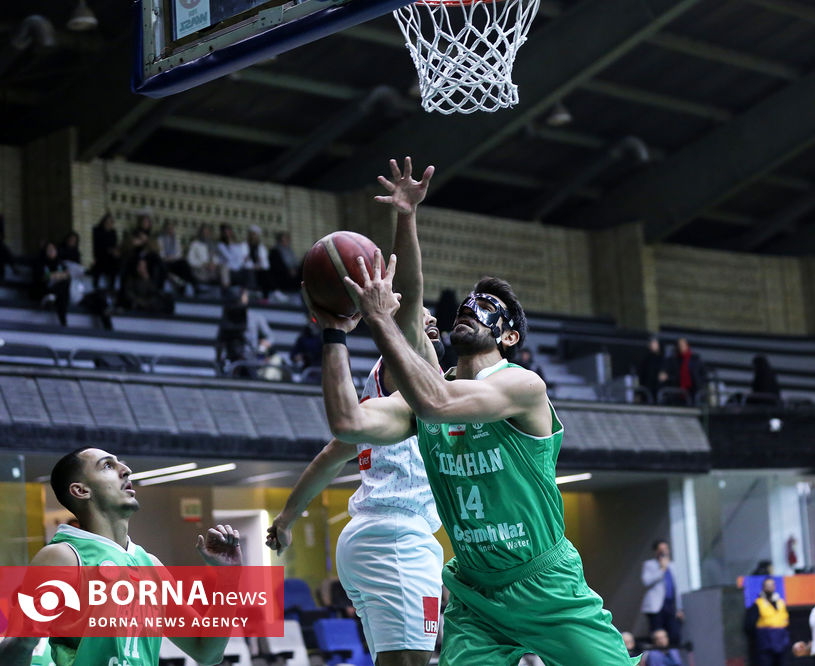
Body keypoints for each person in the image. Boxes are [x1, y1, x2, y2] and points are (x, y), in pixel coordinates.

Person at [311, 254, 638, 664]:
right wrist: (334, 335)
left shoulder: (523, 385)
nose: (469, 309)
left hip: (545, 582)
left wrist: (380, 319)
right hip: (475, 595)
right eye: (466, 304)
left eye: (484, 306)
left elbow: (436, 401)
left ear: (509, 336)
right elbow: (347, 422)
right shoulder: (422, 403)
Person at [267, 157, 444, 666]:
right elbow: (412, 290)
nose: (429, 319)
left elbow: (329, 457)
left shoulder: (396, 397)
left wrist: (287, 518)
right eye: (420, 316)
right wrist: (406, 217)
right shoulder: (404, 371)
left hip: (374, 537)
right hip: (395, 536)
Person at [0, 447, 242, 666]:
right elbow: (14, 655)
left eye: (121, 464)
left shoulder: (150, 565)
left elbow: (207, 652)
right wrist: (25, 640)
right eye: (107, 465)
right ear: (81, 490)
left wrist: (229, 578)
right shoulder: (62, 557)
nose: (126, 470)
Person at [641, 540, 684, 660]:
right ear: (656, 552)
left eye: (666, 549)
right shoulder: (650, 565)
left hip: (670, 605)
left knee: (674, 634)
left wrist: (679, 608)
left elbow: (676, 587)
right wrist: (662, 569)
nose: (664, 552)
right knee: (657, 635)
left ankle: (673, 660)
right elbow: (646, 581)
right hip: (656, 607)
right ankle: (656, 660)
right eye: (661, 550)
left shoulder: (673, 565)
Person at [745, 577, 791, 666]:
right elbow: (749, 626)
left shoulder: (780, 603)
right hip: (765, 643)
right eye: (767, 586)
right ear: (763, 588)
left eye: (772, 585)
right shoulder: (758, 604)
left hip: (781, 642)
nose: (770, 588)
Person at [32, 241, 70, 326]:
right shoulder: (40, 262)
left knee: (63, 287)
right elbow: (39, 277)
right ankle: (50, 297)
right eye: (49, 250)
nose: (52, 251)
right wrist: (54, 276)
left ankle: (52, 297)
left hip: (58, 291)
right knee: (61, 293)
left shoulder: (60, 263)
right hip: (43, 289)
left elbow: (67, 275)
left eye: (53, 249)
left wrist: (55, 276)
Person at [664, 338, 705, 405]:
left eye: (683, 345)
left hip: (693, 390)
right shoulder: (673, 360)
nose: (681, 347)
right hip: (677, 391)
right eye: (679, 345)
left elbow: (702, 373)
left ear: (687, 345)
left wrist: (699, 383)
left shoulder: (695, 359)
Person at [91, 212, 120, 289]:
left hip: (111, 257)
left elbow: (114, 245)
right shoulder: (97, 231)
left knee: (115, 263)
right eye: (107, 222)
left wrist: (115, 251)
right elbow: (97, 246)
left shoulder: (113, 232)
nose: (109, 224)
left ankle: (112, 287)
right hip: (101, 255)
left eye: (111, 222)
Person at [187, 223, 222, 287]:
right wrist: (204, 264)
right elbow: (190, 260)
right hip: (200, 268)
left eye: (208, 232)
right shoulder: (195, 244)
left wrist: (214, 264)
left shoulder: (213, 244)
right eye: (204, 232)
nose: (206, 234)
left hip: (213, 268)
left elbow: (218, 257)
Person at [637, 336, 667, 404]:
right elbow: (641, 377)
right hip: (647, 393)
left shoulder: (665, 359)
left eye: (654, 343)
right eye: (651, 343)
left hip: (661, 393)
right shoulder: (646, 359)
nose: (652, 344)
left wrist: (667, 377)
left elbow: (672, 375)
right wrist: (639, 393)